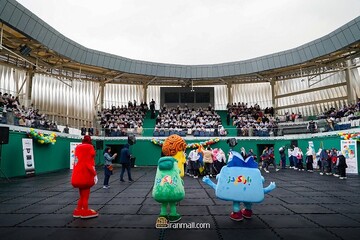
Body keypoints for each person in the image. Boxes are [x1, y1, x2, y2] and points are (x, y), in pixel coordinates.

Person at [71, 135, 98, 218]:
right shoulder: (89, 148)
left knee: (82, 195)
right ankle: (85, 211)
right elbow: (89, 165)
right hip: (85, 177)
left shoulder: (78, 148)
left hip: (77, 176)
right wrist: (95, 174)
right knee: (86, 196)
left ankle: (78, 210)